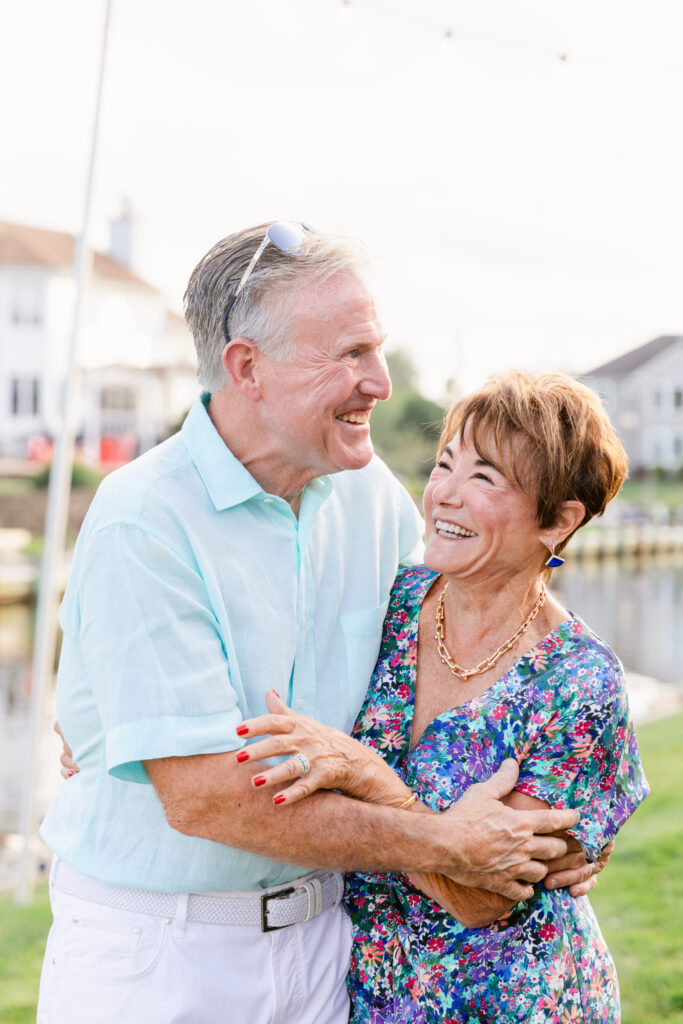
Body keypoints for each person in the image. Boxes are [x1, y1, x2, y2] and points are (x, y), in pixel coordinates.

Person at [39, 222, 584, 1024]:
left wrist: (573, 757)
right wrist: (446, 844)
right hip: (160, 957)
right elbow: (206, 800)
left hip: (330, 945)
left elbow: (489, 608)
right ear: (247, 367)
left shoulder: (368, 499)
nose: (380, 382)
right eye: (350, 355)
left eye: (377, 350)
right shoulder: (143, 520)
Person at [238, 371, 649, 1023]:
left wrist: (369, 778)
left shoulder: (576, 680)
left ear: (558, 521)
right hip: (367, 988)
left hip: (517, 1001)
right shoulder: (390, 601)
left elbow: (483, 895)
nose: (444, 496)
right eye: (444, 464)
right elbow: (255, 651)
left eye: (484, 478)